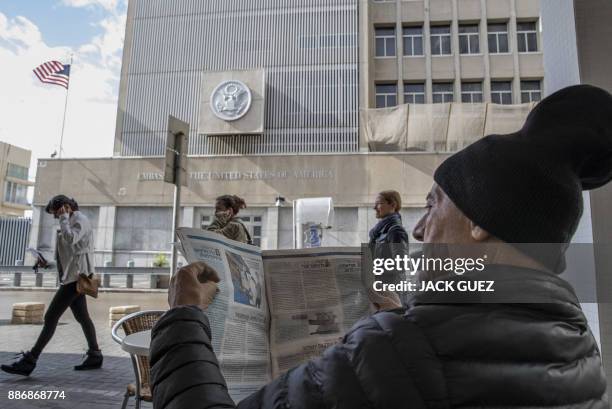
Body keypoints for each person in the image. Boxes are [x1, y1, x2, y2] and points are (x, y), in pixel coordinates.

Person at [148, 85, 610, 408]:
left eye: (434, 204)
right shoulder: (579, 346)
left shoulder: (395, 350)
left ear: (477, 223)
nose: (424, 229)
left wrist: (184, 318)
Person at [1, 195, 102, 377]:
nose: (56, 217)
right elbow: (69, 256)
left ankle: (30, 360)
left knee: (50, 317)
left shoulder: (80, 220)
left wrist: (64, 218)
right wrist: (47, 263)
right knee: (83, 317)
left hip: (76, 278)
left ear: (65, 207)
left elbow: (72, 240)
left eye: (56, 213)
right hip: (72, 276)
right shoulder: (70, 221)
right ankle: (95, 354)